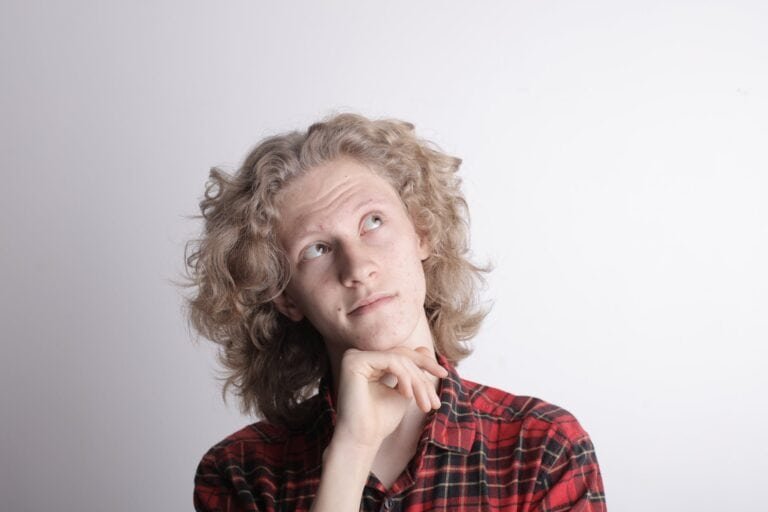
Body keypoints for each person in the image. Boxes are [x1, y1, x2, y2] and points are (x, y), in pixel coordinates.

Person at [185, 113, 607, 511]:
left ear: (421, 232)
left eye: (373, 222)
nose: (357, 268)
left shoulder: (542, 450)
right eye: (317, 249)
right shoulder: (239, 473)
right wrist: (352, 450)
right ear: (285, 297)